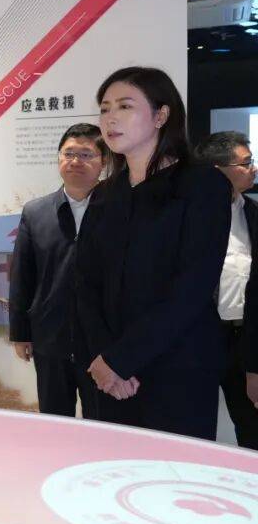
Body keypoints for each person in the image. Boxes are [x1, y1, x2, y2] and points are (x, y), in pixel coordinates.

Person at [76, 67, 231, 440]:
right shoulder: (104, 194)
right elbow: (85, 283)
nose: (110, 118)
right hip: (107, 372)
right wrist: (104, 359)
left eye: (125, 106)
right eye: (105, 108)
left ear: (161, 115)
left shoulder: (202, 184)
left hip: (177, 365)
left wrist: (122, 359)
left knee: (173, 469)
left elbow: (192, 288)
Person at [9, 123, 107, 417]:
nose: (76, 161)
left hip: (102, 341)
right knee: (54, 419)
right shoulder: (36, 211)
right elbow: (22, 276)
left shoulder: (119, 208)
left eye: (86, 154)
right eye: (69, 153)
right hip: (50, 337)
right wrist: (20, 332)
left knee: (103, 420)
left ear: (104, 161)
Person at [194, 130, 258, 448]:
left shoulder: (253, 213)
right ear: (217, 170)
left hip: (244, 338)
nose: (253, 169)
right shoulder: (189, 216)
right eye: (245, 163)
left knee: (251, 425)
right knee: (194, 426)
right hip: (199, 337)